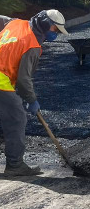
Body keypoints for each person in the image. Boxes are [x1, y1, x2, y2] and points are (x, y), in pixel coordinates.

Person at [0, 10, 69, 176]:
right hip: (2, 80)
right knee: (17, 119)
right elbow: (24, 80)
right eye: (55, 30)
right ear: (45, 24)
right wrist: (31, 100)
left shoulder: (15, 22)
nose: (56, 35)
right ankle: (15, 166)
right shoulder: (32, 46)